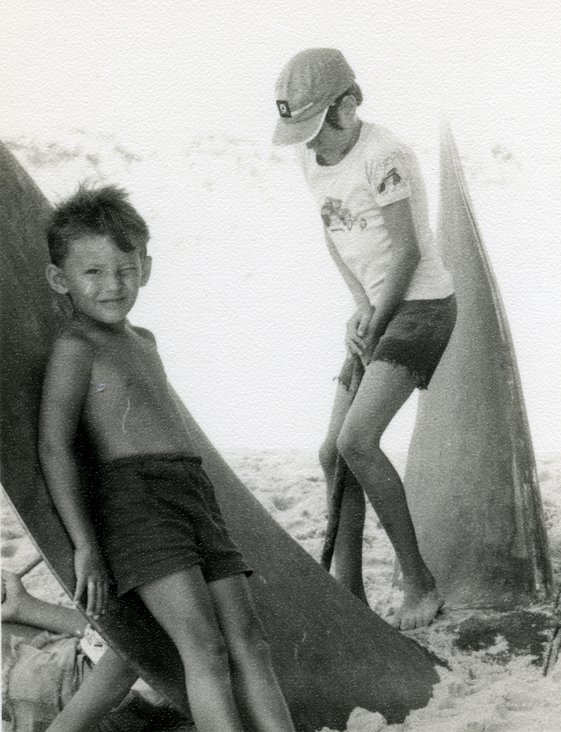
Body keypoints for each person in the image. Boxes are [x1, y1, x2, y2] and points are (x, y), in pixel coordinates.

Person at [38, 184, 294, 730]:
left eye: (125, 269)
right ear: (60, 279)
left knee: (250, 640)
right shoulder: (75, 347)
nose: (113, 285)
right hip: (136, 504)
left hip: (191, 493)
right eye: (93, 272)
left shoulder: (146, 340)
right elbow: (55, 445)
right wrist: (84, 542)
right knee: (203, 649)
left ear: (146, 267)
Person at [272, 48, 456, 630]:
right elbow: (334, 235)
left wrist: (376, 319)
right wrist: (360, 306)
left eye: (323, 122)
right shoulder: (311, 160)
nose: (315, 139)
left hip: (422, 306)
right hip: (378, 307)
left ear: (350, 105)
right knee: (332, 451)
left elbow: (407, 251)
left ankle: (420, 585)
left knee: (358, 440)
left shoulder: (385, 155)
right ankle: (348, 594)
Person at [2, 568, 189, 731]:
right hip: (86, 687)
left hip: (79, 694)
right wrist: (25, 607)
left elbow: (131, 647)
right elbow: (124, 635)